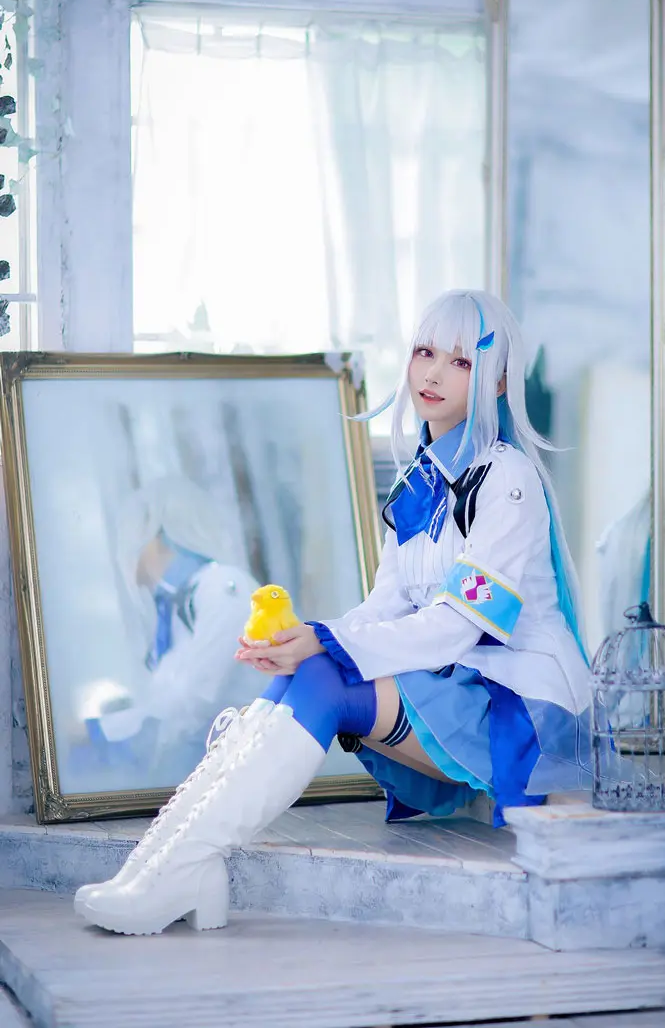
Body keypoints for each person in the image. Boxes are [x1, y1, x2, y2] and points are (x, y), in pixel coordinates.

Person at [75, 289, 593, 937]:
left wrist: (325, 642)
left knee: (323, 672)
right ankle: (162, 862)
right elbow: (384, 608)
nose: (432, 373)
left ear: (498, 381)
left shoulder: (506, 482)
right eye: (425, 352)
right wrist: (308, 639)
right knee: (311, 668)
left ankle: (181, 869)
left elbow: (458, 626)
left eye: (460, 362)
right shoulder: (422, 484)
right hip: (456, 679)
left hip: (516, 706)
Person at [71, 477, 265, 788]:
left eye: (130, 540)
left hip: (240, 770)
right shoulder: (180, 604)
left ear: (154, 539)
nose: (125, 557)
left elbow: (192, 701)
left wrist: (96, 732)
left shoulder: (224, 588)